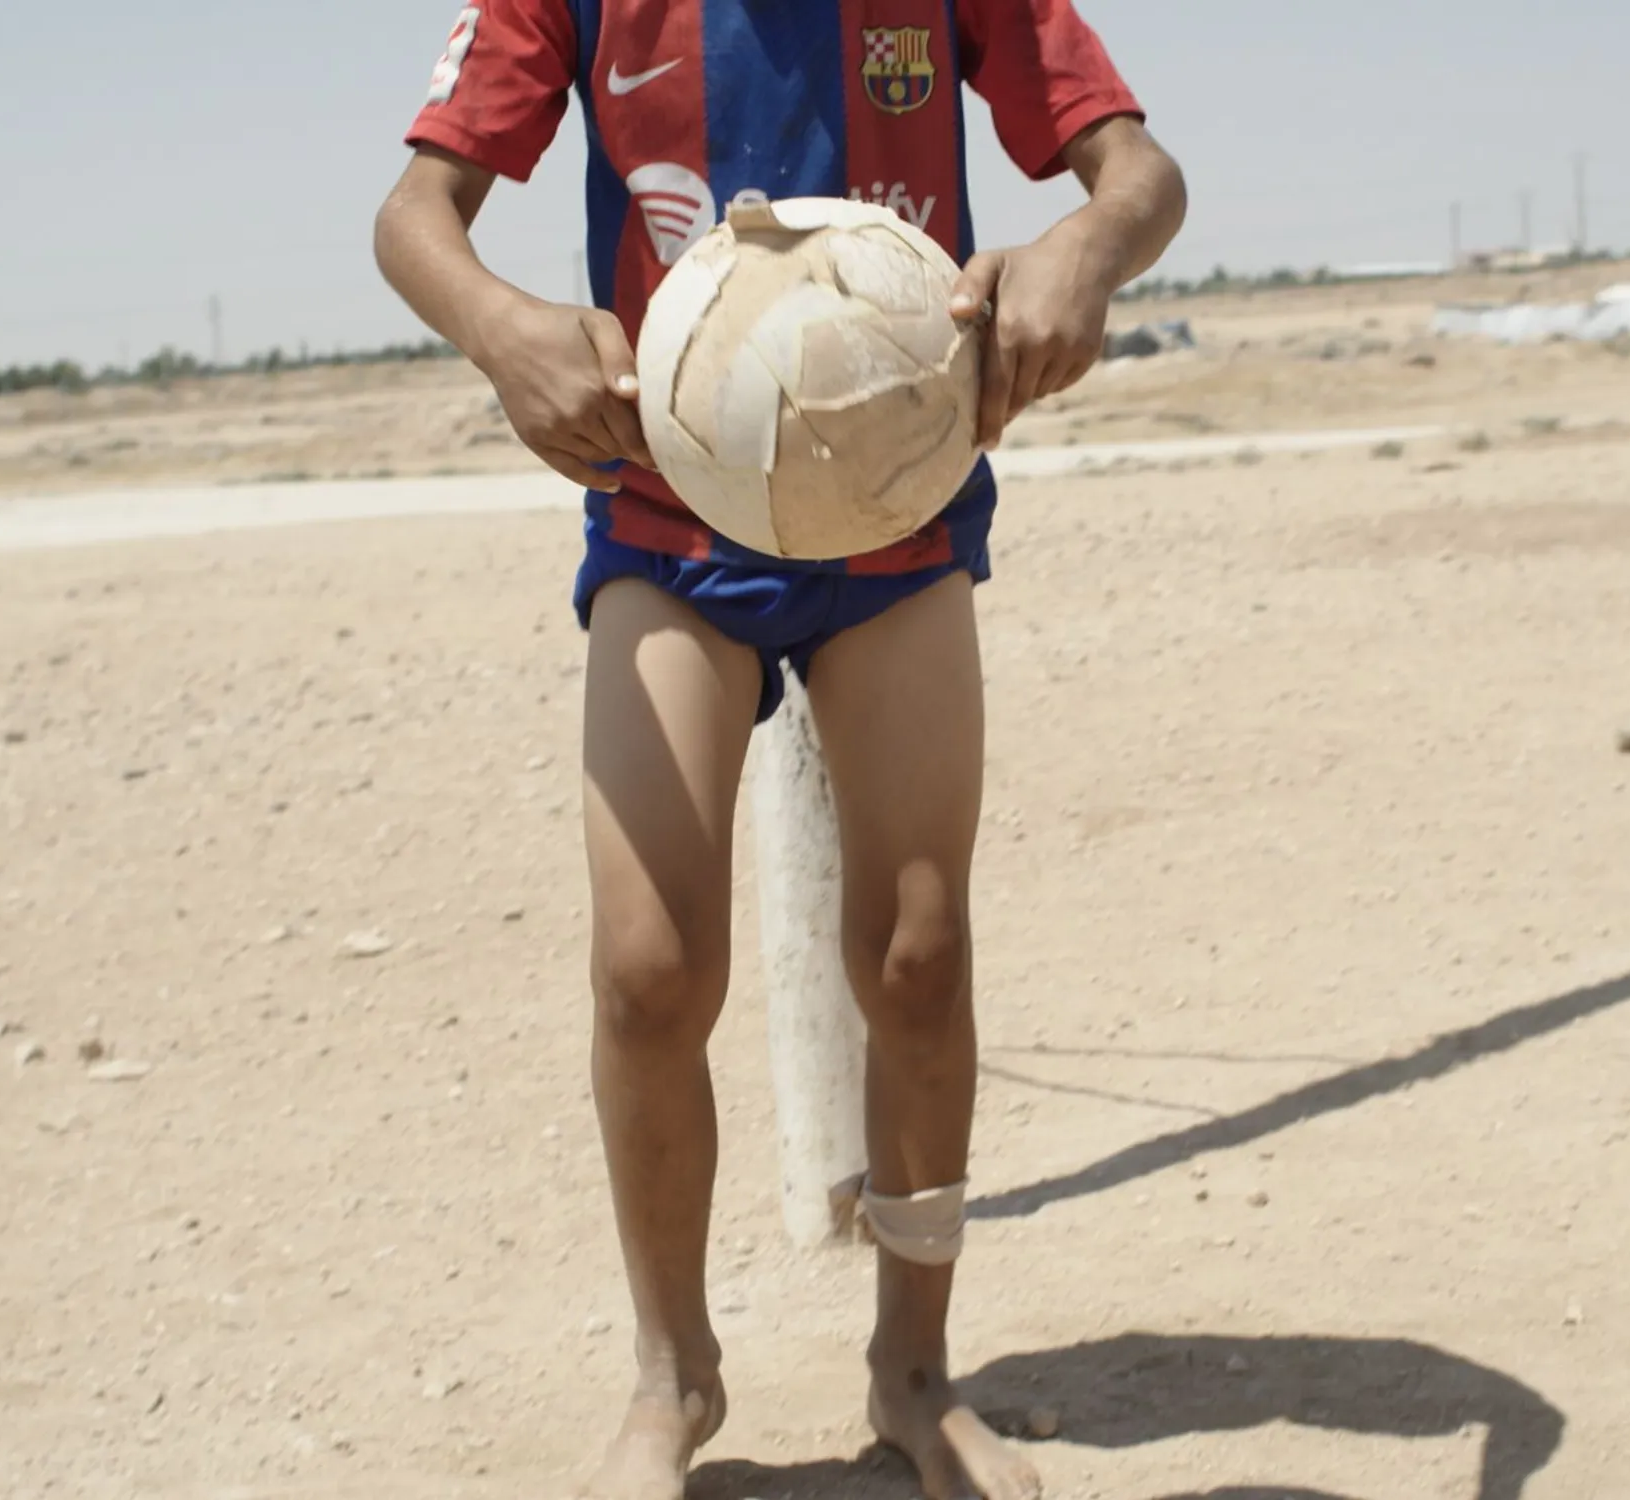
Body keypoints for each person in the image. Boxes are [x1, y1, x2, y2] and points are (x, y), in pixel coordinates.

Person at [373, 3, 1185, 1496]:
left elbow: (1141, 174)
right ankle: (673, 1379)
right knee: (647, 972)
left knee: (920, 958)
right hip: (670, 524)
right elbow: (415, 216)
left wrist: (1090, 246)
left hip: (898, 518)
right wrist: (500, 328)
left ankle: (914, 1371)